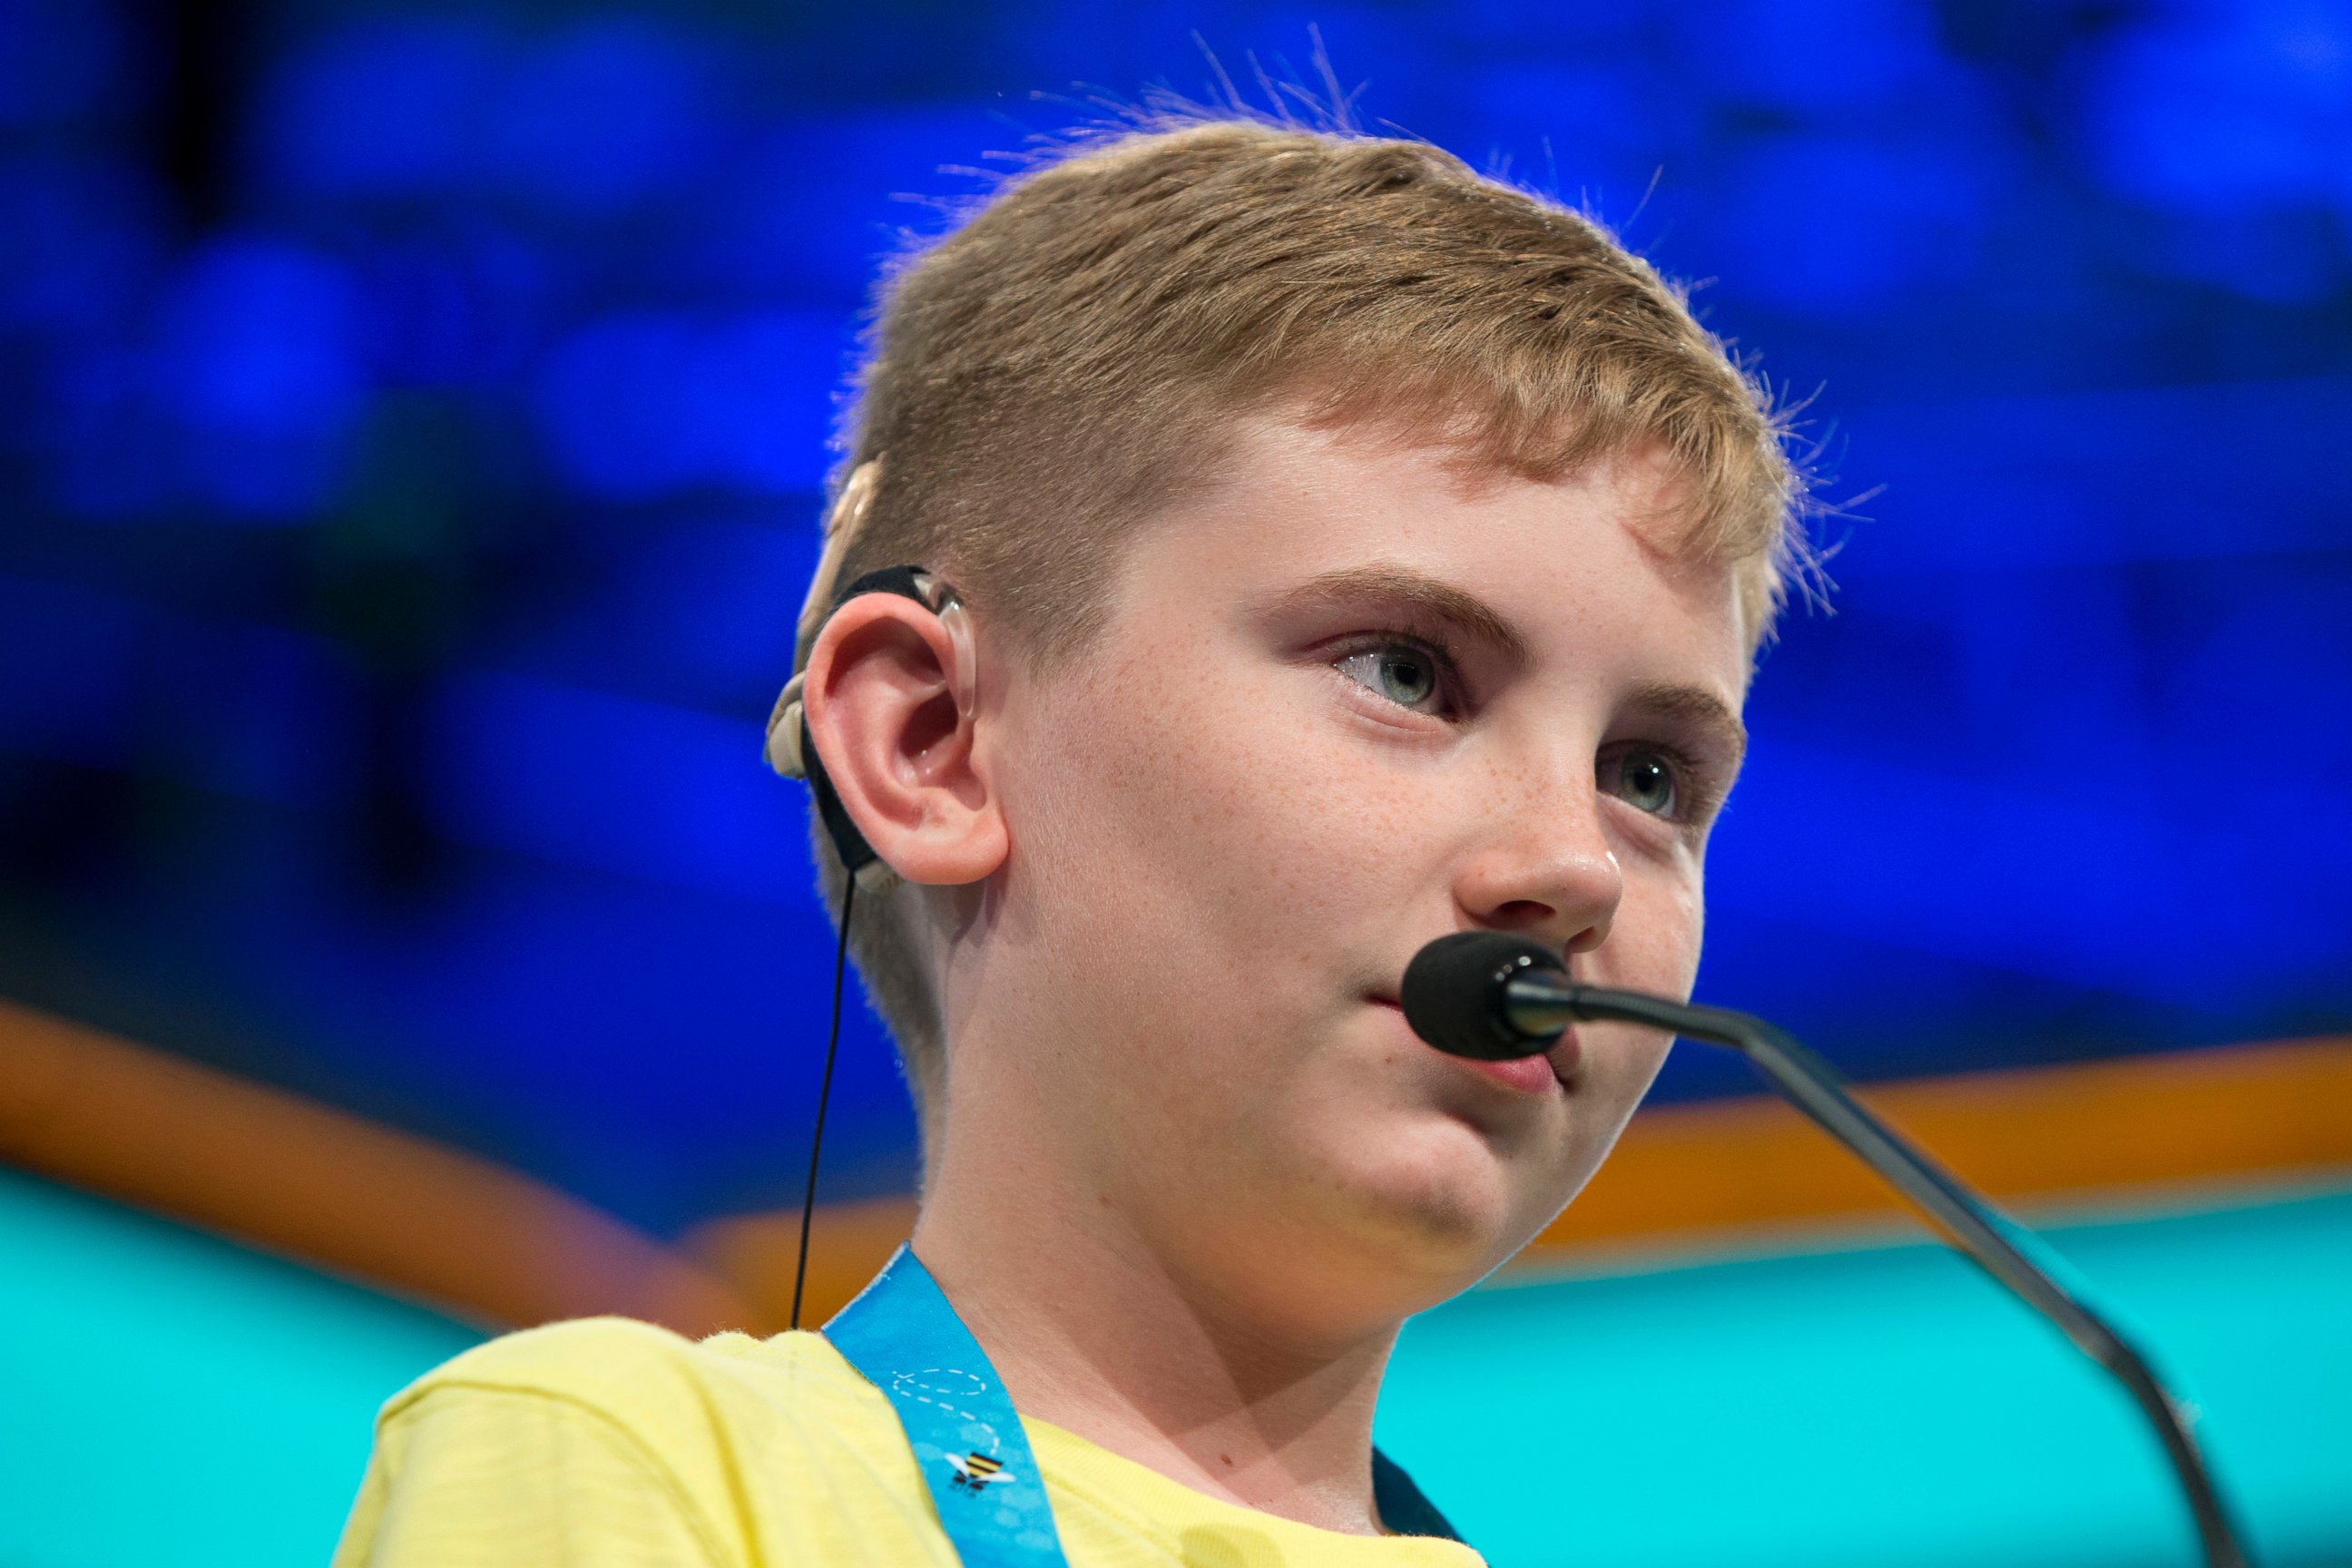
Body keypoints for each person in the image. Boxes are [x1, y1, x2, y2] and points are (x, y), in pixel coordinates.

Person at [333, 111, 1804, 1567]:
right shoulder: (650, 1469)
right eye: (1405, 673)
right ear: (931, 747)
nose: (1576, 863)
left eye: (1653, 777)